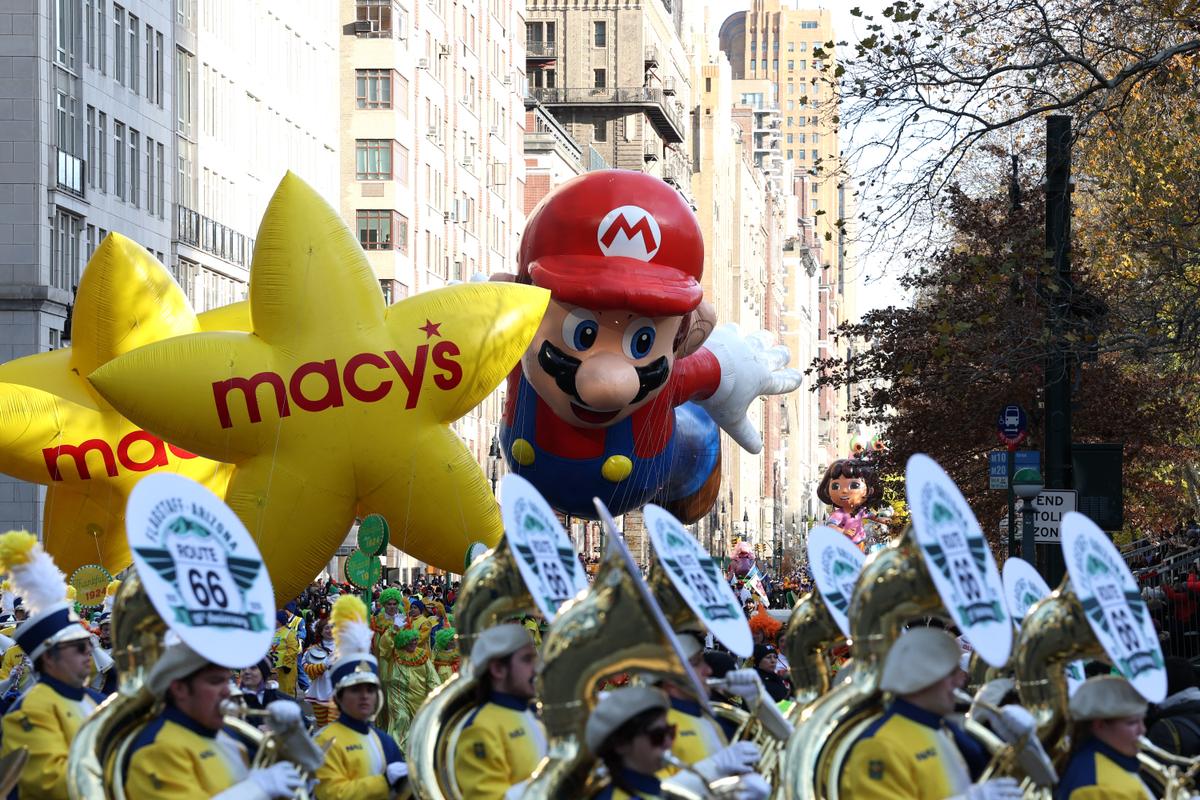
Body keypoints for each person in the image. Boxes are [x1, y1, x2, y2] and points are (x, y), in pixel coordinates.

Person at [840, 627, 1036, 800]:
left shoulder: (944, 728)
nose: (959, 682)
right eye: (950, 674)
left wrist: (1018, 742)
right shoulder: (879, 746)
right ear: (922, 678)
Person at [123, 635, 304, 798]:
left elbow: (302, 774)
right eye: (216, 681)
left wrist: (296, 737)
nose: (228, 691)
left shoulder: (227, 733)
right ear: (180, 689)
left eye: (227, 680)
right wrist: (258, 788)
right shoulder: (156, 750)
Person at [0, 531, 106, 800]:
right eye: (79, 647)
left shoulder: (94, 701)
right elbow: (52, 784)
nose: (88, 653)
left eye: (89, 645)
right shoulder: (29, 711)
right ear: (49, 657)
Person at [314, 595, 409, 800]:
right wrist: (383, 782)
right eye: (356, 690)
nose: (365, 696)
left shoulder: (385, 741)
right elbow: (331, 794)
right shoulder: (325, 740)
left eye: (370, 689)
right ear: (339, 697)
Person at [453, 623, 547, 799]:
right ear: (498, 669)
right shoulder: (480, 729)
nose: (536, 668)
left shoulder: (535, 714)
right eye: (527, 660)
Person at [1057, 675, 1154, 799]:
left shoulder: (1106, 765)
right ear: (1100, 725)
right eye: (1132, 723)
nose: (1143, 729)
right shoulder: (1100, 787)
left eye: (1142, 720)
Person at [588, 686, 676, 799]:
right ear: (621, 744)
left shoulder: (657, 789)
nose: (668, 743)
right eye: (657, 736)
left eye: (670, 731)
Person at [381, 627, 440, 748]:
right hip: (397, 694)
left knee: (418, 722)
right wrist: (391, 631)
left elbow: (432, 677)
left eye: (415, 640)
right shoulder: (393, 654)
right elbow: (384, 646)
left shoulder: (421, 655)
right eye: (411, 640)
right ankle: (398, 750)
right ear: (403, 642)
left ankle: (414, 749)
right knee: (402, 718)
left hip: (418, 696)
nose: (414, 642)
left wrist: (437, 692)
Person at [302, 619, 337, 728]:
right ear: (320, 631)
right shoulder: (312, 650)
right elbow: (308, 670)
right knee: (322, 727)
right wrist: (324, 665)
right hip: (319, 693)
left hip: (338, 694)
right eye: (326, 628)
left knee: (334, 726)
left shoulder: (344, 647)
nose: (330, 630)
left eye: (332, 627)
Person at [270, 609, 300, 697]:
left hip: (285, 670)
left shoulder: (289, 633)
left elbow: (293, 650)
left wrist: (287, 665)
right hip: (272, 670)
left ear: (279, 621)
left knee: (286, 692)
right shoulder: (270, 632)